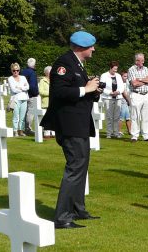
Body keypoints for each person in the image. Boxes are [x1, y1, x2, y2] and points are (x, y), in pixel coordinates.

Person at [40, 31, 101, 229]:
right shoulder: (64, 64)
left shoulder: (77, 64)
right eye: (91, 46)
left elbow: (80, 90)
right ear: (81, 47)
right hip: (69, 125)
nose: (93, 49)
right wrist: (86, 89)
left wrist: (93, 90)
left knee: (81, 166)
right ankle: (63, 217)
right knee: (75, 167)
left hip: (79, 124)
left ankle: (77, 209)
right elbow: (59, 92)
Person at [127, 53, 148, 142]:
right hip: (136, 94)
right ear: (136, 61)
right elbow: (134, 84)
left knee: (146, 116)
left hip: (146, 94)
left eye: (143, 60)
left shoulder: (146, 69)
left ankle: (146, 135)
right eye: (140, 60)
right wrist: (145, 81)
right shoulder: (131, 69)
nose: (142, 62)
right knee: (135, 116)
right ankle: (134, 135)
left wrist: (140, 80)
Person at [100, 61, 125, 138]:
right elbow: (101, 87)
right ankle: (109, 133)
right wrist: (110, 92)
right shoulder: (104, 75)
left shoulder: (118, 76)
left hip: (118, 97)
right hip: (108, 98)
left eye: (116, 69)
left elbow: (122, 87)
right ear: (110, 68)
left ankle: (116, 132)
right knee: (109, 116)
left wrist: (118, 92)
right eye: (114, 69)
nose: (115, 71)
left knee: (117, 116)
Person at [8, 63, 30, 137]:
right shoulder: (10, 78)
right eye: (14, 70)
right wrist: (22, 88)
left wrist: (20, 87)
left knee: (22, 116)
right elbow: (14, 90)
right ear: (11, 71)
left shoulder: (23, 77)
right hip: (15, 99)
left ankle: (21, 130)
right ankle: (15, 131)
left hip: (24, 98)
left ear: (19, 70)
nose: (16, 72)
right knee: (16, 116)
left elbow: (28, 87)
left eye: (17, 70)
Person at [22, 58, 39, 135]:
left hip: (23, 94)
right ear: (34, 64)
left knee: (24, 112)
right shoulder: (32, 73)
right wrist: (36, 93)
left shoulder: (23, 71)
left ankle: (22, 128)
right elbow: (32, 86)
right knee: (30, 112)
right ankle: (28, 129)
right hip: (31, 95)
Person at [39, 66, 54, 138]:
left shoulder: (54, 80)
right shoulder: (42, 81)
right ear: (46, 73)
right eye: (49, 73)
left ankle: (53, 132)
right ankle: (46, 133)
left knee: (54, 118)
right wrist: (50, 93)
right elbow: (41, 91)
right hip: (45, 102)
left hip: (53, 102)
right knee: (47, 118)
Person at [118, 71, 131, 137]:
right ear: (121, 77)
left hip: (127, 101)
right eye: (124, 76)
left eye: (127, 76)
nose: (126, 78)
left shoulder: (127, 83)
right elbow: (124, 94)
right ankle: (119, 131)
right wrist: (129, 101)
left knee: (128, 117)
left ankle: (130, 131)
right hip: (123, 101)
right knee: (121, 117)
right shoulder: (120, 84)